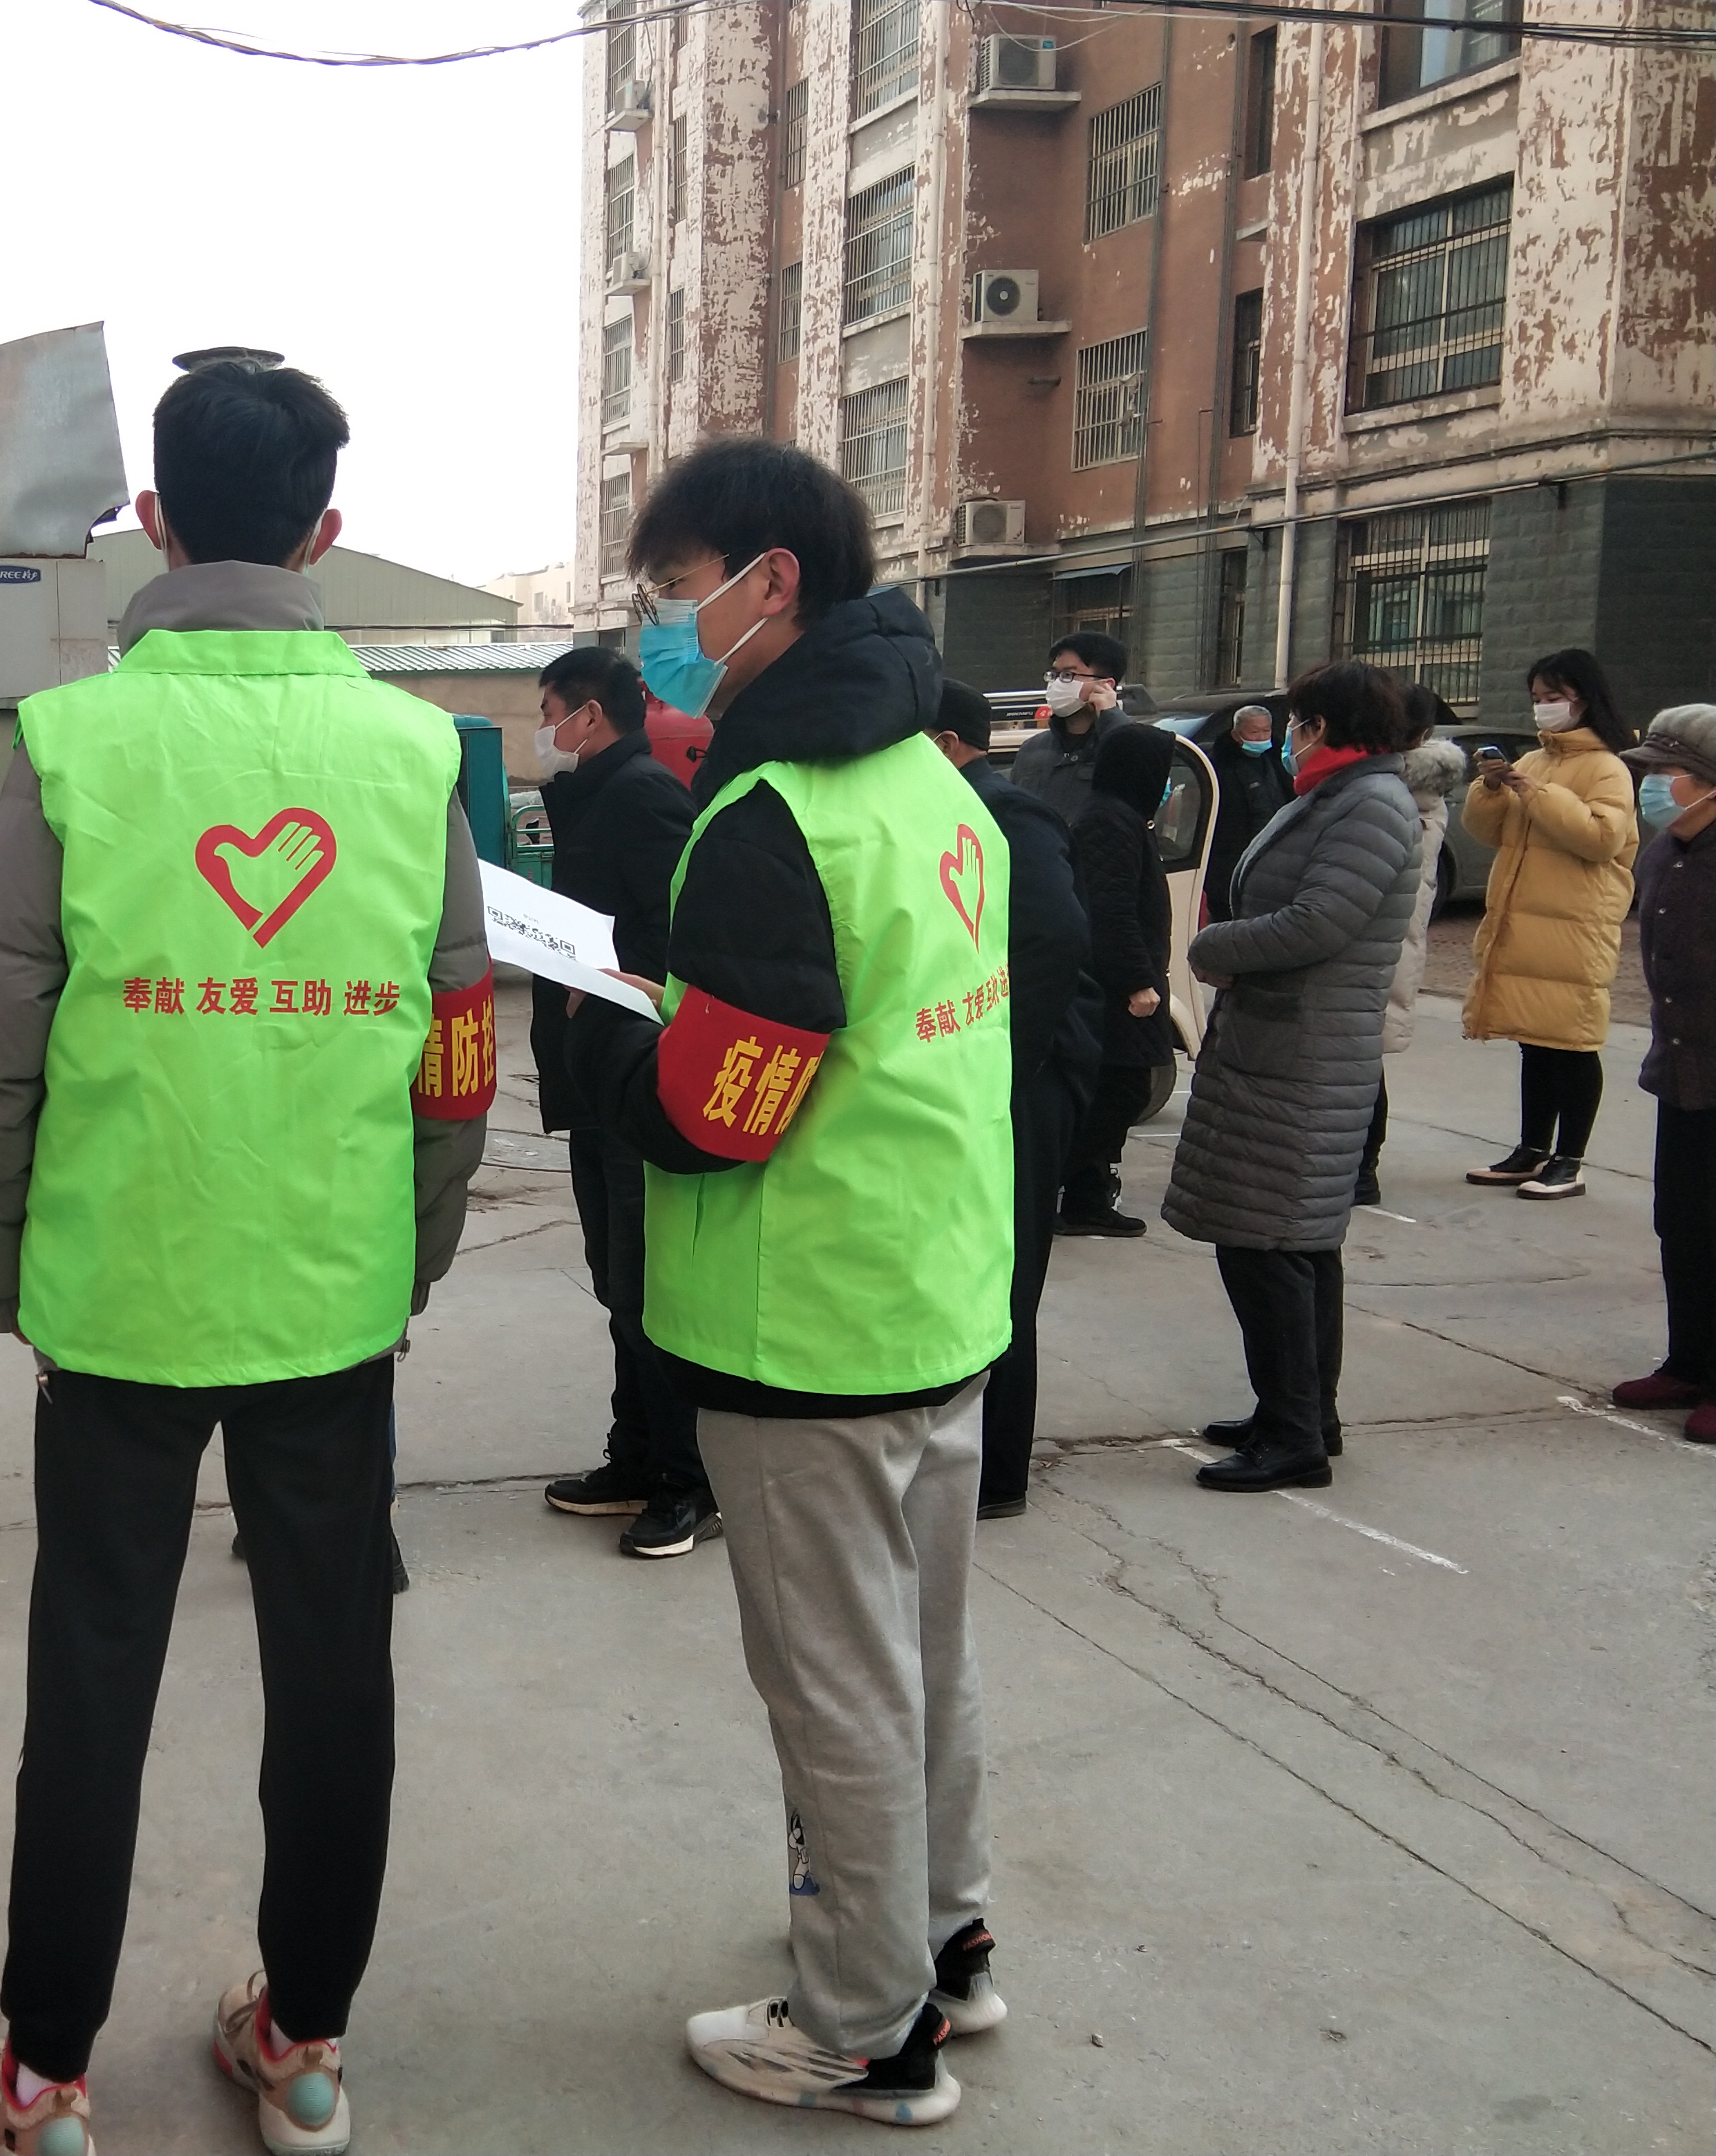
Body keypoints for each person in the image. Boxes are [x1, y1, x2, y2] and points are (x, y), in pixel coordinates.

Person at [0, 359, 489, 2156]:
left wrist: (1, 1267)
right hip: (329, 1303)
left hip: (119, 1300)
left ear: (154, 522)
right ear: (325, 533)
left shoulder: (74, 744)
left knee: (93, 1675)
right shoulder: (414, 756)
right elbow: (456, 1048)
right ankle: (304, 2044)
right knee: (334, 1677)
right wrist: (408, 1257)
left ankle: (44, 2079)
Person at [568, 437, 1014, 2126]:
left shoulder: (776, 811)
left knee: (835, 1680)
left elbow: (721, 1110)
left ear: (772, 583)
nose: (662, 627)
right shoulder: (926, 781)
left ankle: (860, 2026)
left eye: (675, 591)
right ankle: (942, 1939)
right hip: (933, 1289)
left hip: (807, 1320)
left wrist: (618, 1045)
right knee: (922, 1655)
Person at [1164, 663, 1422, 1493]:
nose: (1285, 737)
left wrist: (1211, 948)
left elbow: (1318, 921)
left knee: (1269, 1246)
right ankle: (1300, 1412)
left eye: (1296, 722)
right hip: (1277, 1046)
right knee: (1288, 1244)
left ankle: (1292, 1435)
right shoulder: (1330, 796)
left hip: (1302, 1056)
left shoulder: (1370, 804)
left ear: (1323, 725)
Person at [529, 644, 713, 1558]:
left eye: (548, 713)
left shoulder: (641, 796)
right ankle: (633, 1456)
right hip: (592, 1075)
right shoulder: (594, 795)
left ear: (589, 716)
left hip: (631, 1071)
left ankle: (688, 1482)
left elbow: (683, 931)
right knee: (616, 1283)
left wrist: (628, 989)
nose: (543, 733)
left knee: (646, 1289)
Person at [930, 680, 1098, 1519]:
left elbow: (1051, 938)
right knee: (965, 1262)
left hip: (1024, 1075)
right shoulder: (938, 810)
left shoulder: (1005, 813)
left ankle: (996, 1474)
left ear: (945, 743)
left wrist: (999, 1070)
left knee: (1003, 1269)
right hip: (974, 1066)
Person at [1460, 647, 1641, 1201]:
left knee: (1573, 1043)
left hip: (1576, 925)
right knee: (1535, 1041)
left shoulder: (1607, 766)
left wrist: (1535, 792)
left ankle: (1570, 1159)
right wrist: (1493, 789)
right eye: (1537, 698)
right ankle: (1532, 1148)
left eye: (1554, 697)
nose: (1543, 707)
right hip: (1525, 922)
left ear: (1583, 699)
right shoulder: (1535, 760)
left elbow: (1600, 838)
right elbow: (1489, 832)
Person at [1610, 704, 1716, 1444]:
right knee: (1681, 1222)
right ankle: (1689, 1361)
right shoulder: (1661, 852)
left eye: (1665, 772)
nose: (1651, 785)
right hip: (1682, 1068)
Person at [1058, 726, 1182, 1238]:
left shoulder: (1124, 817)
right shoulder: (1109, 822)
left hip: (1122, 979)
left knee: (1116, 1088)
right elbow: (1109, 910)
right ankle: (1072, 1190)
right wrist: (1136, 980)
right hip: (1114, 987)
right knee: (1120, 1089)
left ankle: (1087, 1193)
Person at [1355, 688, 1465, 1207]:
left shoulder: (1406, 795)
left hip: (1379, 944)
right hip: (1376, 941)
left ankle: (1362, 1169)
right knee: (1354, 1058)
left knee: (1359, 1058)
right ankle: (1356, 1167)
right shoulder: (1387, 788)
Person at [1007, 630, 1133, 826]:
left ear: (1106, 685)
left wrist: (1111, 717)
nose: (1057, 684)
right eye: (1054, 675)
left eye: (1068, 675)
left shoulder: (1122, 746)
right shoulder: (1032, 749)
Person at [1203, 702, 1291, 923]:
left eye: (1266, 731)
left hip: (1274, 855)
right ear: (1236, 734)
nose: (1261, 738)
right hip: (1232, 859)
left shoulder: (1278, 761)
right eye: (1254, 732)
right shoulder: (1218, 766)